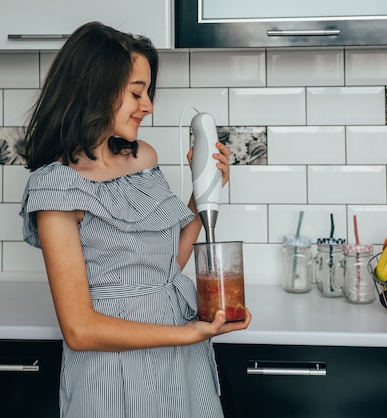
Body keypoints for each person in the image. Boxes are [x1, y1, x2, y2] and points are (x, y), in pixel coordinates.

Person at [19, 21, 251, 418]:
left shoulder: (142, 157)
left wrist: (204, 194)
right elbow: (79, 330)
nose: (148, 106)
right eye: (136, 93)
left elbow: (166, 264)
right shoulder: (54, 188)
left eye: (147, 93)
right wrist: (187, 333)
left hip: (182, 356)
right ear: (95, 88)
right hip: (113, 367)